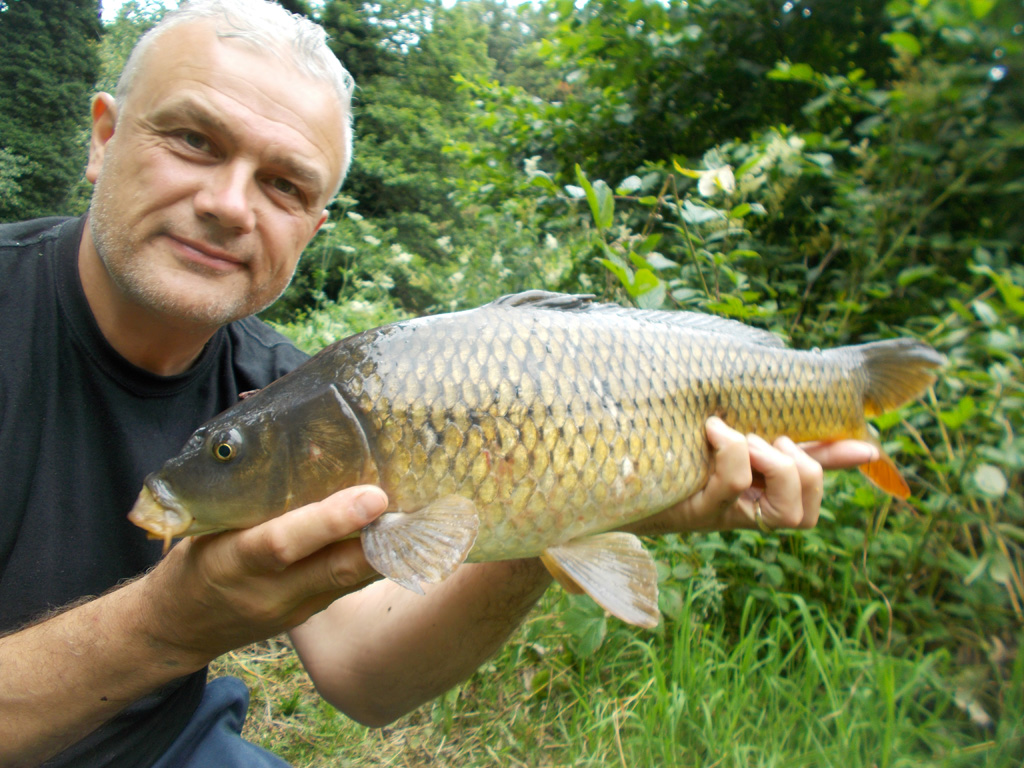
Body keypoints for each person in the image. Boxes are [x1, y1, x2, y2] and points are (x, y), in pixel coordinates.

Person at [0, 1, 880, 766]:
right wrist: (168, 623)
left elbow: (367, 677)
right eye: (193, 139)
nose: (231, 204)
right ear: (104, 136)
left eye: (283, 183)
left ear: (313, 223)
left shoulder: (277, 386)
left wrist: (562, 505)